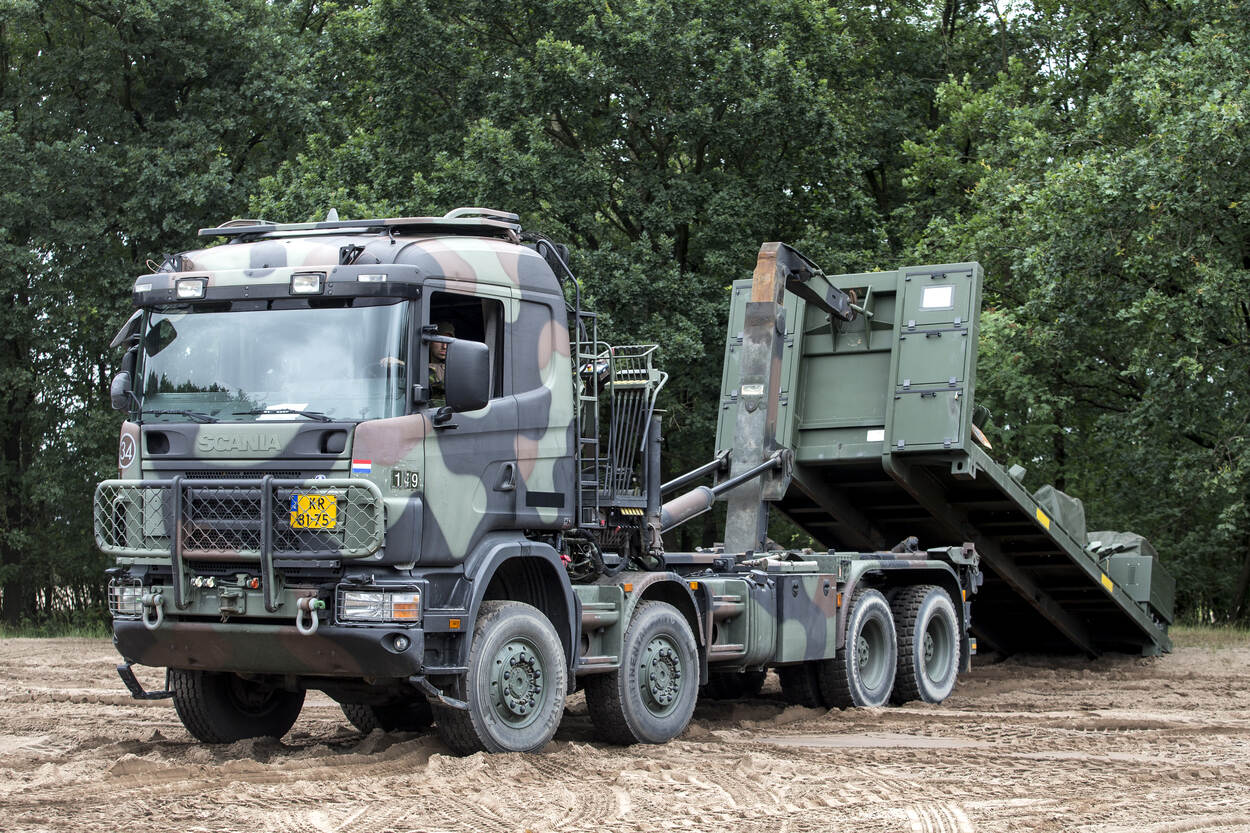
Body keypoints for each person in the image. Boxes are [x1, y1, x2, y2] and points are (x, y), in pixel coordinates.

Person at [428, 320, 454, 396]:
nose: (444, 346)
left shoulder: (457, 367)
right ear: (430, 342)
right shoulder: (417, 359)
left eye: (448, 341)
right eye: (440, 340)